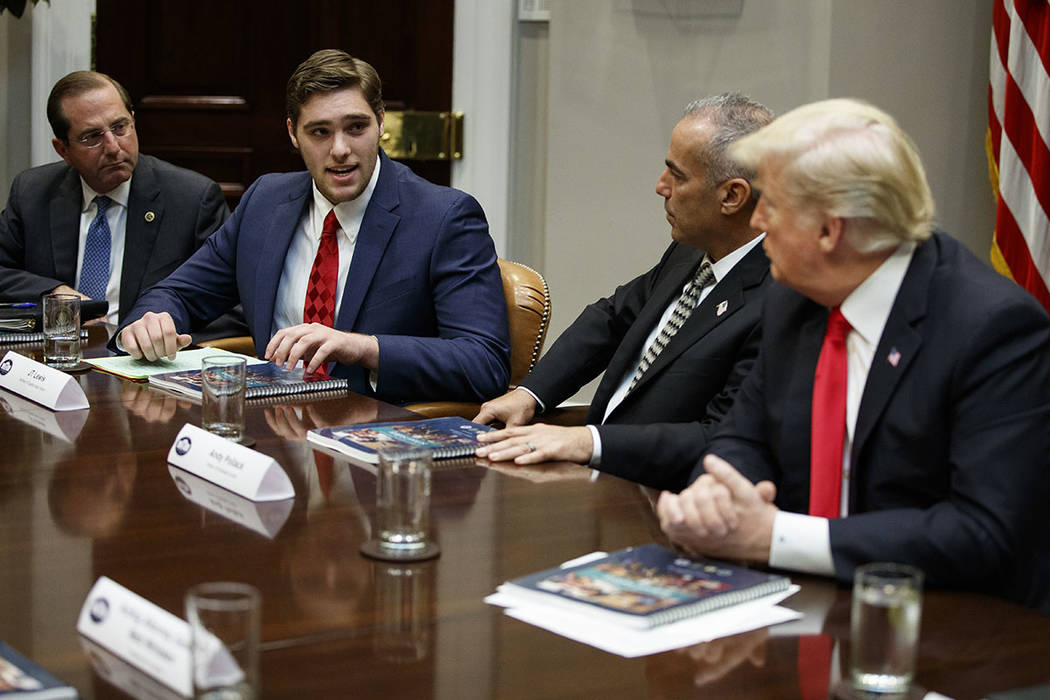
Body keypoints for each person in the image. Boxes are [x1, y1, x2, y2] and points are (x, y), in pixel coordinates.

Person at [658, 98, 1050, 610]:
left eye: (770, 205)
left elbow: (983, 532)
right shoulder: (793, 296)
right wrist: (718, 493)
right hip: (806, 607)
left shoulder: (993, 329)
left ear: (829, 230)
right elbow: (742, 434)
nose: (756, 224)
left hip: (947, 628)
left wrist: (774, 536)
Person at [116, 50, 509, 404]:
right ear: (293, 133)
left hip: (374, 442)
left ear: (381, 122)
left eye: (356, 127)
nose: (340, 148)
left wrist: (362, 348)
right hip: (269, 427)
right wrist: (152, 320)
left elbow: (484, 364)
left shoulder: (444, 217)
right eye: (320, 132)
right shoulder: (265, 201)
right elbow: (179, 293)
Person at [473, 94, 774, 492]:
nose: (660, 186)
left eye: (677, 176)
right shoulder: (692, 250)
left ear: (731, 196)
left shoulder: (779, 298)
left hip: (664, 500)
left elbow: (719, 435)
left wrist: (586, 441)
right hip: (598, 477)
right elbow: (612, 317)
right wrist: (531, 394)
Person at [0, 70, 244, 338]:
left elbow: (234, 304)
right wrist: (55, 293)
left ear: (134, 121)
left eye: (120, 127)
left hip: (142, 365)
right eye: (92, 137)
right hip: (54, 358)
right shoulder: (33, 192)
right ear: (63, 150)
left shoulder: (192, 199)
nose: (114, 147)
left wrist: (157, 337)